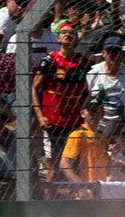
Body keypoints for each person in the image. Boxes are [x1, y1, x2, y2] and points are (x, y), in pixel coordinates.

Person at [32, 21, 89, 174]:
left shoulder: (82, 62)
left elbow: (87, 91)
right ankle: (51, 194)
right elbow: (34, 88)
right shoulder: (50, 60)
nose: (68, 35)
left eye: (72, 32)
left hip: (75, 120)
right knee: (57, 162)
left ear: (77, 38)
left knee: (75, 161)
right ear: (58, 38)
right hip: (54, 120)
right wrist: (40, 116)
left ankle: (75, 193)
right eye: (64, 32)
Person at [59, 94, 110, 199]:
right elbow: (64, 163)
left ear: (103, 113)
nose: (93, 115)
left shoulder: (104, 137)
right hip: (86, 194)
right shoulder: (78, 134)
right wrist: (81, 187)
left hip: (102, 190)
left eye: (97, 110)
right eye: (91, 111)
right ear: (83, 113)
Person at [86, 36, 125, 126]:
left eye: (116, 52)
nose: (113, 55)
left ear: (122, 54)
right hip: (99, 124)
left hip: (122, 125)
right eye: (110, 52)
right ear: (103, 53)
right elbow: (87, 101)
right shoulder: (93, 73)